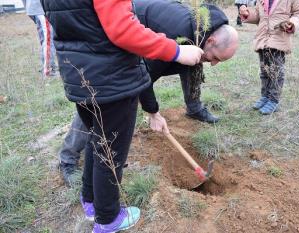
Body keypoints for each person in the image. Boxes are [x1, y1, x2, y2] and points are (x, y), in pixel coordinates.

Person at [41, 0, 203, 232]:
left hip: (78, 75)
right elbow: (123, 30)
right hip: (112, 80)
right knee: (111, 153)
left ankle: (90, 201)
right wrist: (176, 51)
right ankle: (108, 219)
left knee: (98, 141)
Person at [59, 0, 238, 186]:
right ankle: (68, 158)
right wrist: (153, 112)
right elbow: (142, 76)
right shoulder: (175, 36)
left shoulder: (202, 28)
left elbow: (190, 67)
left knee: (192, 63)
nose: (215, 63)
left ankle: (194, 108)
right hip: (123, 37)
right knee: (99, 100)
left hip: (142, 32)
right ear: (211, 41)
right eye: (216, 58)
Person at [239, 0, 299, 114]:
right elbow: (259, 16)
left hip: (279, 38)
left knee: (276, 72)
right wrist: (247, 14)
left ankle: (274, 100)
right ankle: (265, 96)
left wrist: (292, 23)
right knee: (264, 71)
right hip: (262, 38)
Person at [22, 0, 57, 77]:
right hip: (41, 9)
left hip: (36, 8)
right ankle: (48, 70)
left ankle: (47, 66)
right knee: (48, 39)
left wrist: (28, 8)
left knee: (46, 39)